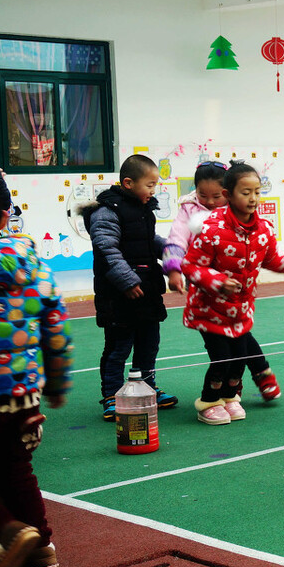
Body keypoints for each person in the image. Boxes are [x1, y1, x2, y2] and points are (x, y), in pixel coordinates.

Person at [181, 163, 284, 425]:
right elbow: (190, 265)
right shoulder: (211, 228)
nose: (253, 198)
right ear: (228, 195)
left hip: (240, 311)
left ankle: (229, 397)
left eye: (257, 192)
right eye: (245, 192)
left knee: (240, 358)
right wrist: (218, 281)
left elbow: (274, 260)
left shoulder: (263, 229)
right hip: (209, 311)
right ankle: (208, 401)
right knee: (221, 359)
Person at [0, 171, 72, 567]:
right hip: (24, 392)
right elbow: (56, 327)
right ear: (8, 213)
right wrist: (58, 382)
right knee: (16, 467)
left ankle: (11, 531)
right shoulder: (34, 262)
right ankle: (42, 549)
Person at [165, 161, 282, 400]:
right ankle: (242, 382)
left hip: (237, 299)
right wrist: (173, 269)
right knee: (225, 350)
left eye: (215, 196)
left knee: (239, 341)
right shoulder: (191, 212)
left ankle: (233, 389)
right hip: (207, 295)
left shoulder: (243, 215)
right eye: (202, 195)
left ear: (227, 193)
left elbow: (270, 255)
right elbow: (177, 241)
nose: (208, 201)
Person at [80, 155, 181, 421]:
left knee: (149, 343)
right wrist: (126, 280)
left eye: (155, 185)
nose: (153, 190)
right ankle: (112, 395)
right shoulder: (106, 211)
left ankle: (146, 387)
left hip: (147, 290)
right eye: (149, 185)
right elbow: (107, 250)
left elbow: (149, 241)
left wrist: (173, 252)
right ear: (128, 182)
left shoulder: (144, 209)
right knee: (118, 347)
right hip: (118, 296)